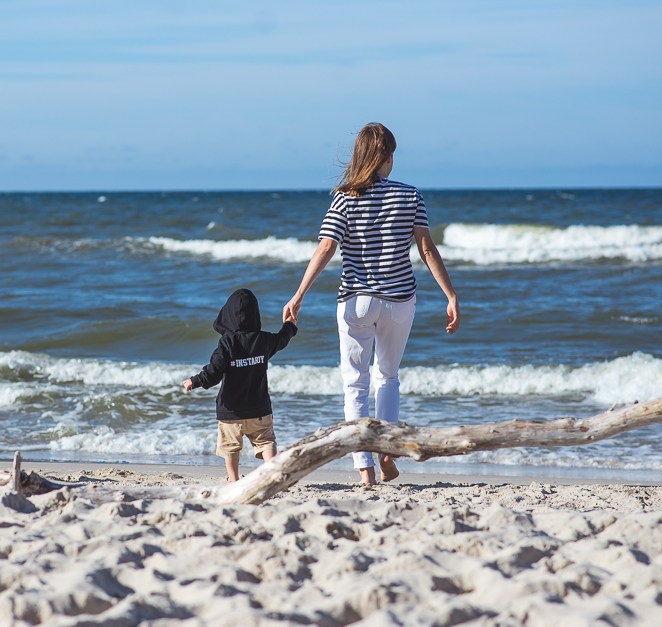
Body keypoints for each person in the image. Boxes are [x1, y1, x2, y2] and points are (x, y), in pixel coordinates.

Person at [282, 123, 460, 485]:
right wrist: (450, 295)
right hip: (399, 301)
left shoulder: (345, 196)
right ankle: (387, 452)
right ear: (387, 157)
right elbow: (426, 249)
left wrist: (299, 293)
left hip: (357, 301)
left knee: (355, 385)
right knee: (388, 376)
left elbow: (326, 247)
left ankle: (364, 469)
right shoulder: (411, 196)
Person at [184, 288, 298, 483]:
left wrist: (195, 381)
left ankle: (233, 478)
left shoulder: (227, 343)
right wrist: (289, 324)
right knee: (266, 442)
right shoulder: (263, 340)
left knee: (230, 446)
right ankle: (273, 475)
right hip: (259, 408)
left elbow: (214, 372)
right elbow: (282, 339)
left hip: (231, 411)